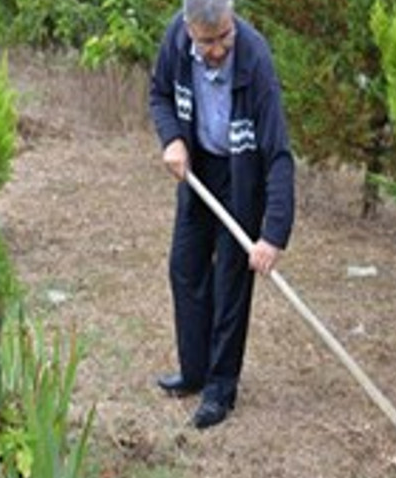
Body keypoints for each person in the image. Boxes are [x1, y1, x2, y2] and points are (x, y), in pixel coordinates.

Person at [149, 0, 295, 429]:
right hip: (199, 170)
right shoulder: (176, 40)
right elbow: (159, 94)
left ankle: (220, 389)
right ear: (190, 29)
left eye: (224, 37)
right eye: (207, 41)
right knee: (185, 269)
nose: (217, 49)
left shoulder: (255, 57)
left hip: (240, 176)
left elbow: (279, 156)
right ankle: (194, 371)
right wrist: (172, 138)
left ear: (233, 22)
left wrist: (273, 234)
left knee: (231, 281)